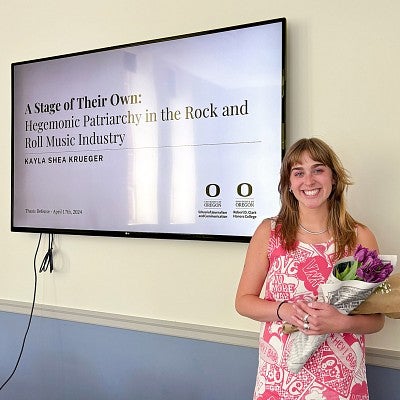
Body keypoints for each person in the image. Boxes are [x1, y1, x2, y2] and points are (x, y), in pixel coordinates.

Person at [235, 138, 384, 400]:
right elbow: (243, 302)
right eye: (298, 172)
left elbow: (377, 320)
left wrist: (340, 322)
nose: (309, 180)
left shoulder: (360, 237)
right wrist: (286, 311)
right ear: (289, 184)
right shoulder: (269, 233)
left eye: (318, 169)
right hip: (280, 379)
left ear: (333, 178)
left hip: (341, 381)